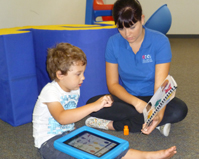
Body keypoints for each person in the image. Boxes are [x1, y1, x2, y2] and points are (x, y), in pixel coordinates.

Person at [32, 43, 177, 159]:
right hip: (48, 142)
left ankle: (147, 156)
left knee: (108, 147)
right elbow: (62, 118)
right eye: (78, 74)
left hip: (69, 135)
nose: (83, 78)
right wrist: (93, 106)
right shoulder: (49, 91)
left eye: (83, 73)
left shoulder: (74, 87)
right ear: (60, 75)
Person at [85, 0, 188, 137]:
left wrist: (158, 114)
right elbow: (113, 84)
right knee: (92, 104)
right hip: (129, 99)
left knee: (179, 110)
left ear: (142, 19)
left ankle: (112, 125)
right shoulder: (113, 43)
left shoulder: (160, 41)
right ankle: (152, 123)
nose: (127, 34)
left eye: (132, 27)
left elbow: (161, 86)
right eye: (121, 28)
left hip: (154, 97)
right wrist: (137, 103)